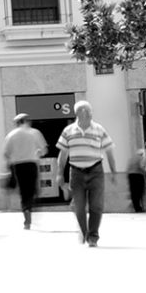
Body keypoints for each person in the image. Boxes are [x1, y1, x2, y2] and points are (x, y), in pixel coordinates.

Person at [55, 101, 116, 247]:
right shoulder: (68, 131)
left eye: (89, 112)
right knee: (79, 206)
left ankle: (93, 236)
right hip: (76, 172)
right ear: (78, 114)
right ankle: (84, 232)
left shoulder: (99, 129)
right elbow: (63, 154)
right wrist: (59, 174)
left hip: (96, 170)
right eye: (85, 112)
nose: (88, 114)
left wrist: (114, 171)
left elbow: (109, 151)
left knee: (96, 205)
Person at [3, 113, 47, 230]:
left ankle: (26, 214)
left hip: (18, 166)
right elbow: (44, 150)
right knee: (32, 188)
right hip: (31, 163)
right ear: (26, 121)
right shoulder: (34, 133)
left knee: (23, 190)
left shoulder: (11, 135)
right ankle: (31, 204)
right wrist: (37, 153)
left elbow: (6, 153)